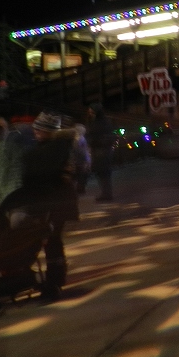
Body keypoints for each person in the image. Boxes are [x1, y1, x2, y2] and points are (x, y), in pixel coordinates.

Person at [22, 112, 80, 296]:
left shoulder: (50, 151)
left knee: (51, 241)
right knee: (52, 241)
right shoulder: (59, 147)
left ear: (49, 131)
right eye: (36, 128)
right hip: (58, 203)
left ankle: (54, 281)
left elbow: (39, 177)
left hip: (51, 203)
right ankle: (55, 278)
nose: (35, 131)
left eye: (39, 129)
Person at [86, 103, 114, 201]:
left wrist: (93, 141)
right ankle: (106, 193)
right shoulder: (103, 122)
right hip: (102, 150)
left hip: (101, 151)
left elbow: (95, 136)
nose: (90, 114)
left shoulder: (98, 123)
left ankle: (106, 194)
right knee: (104, 173)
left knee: (103, 173)